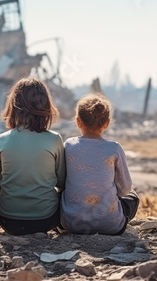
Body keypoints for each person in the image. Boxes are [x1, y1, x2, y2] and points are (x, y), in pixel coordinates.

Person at [0, 77, 66, 235]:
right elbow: (62, 182)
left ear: (13, 107)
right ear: (45, 106)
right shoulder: (54, 139)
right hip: (45, 220)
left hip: (7, 220)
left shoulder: (2, 139)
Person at [60, 93, 139, 235]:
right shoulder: (114, 148)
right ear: (107, 123)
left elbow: (61, 182)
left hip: (71, 224)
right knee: (133, 196)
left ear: (78, 122)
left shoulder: (69, 145)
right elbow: (125, 188)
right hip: (111, 226)